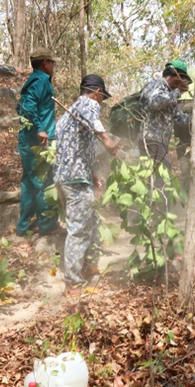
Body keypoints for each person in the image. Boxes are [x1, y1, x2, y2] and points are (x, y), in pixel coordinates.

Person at [53, 75, 118, 298]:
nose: (100, 103)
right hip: (75, 181)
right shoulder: (86, 104)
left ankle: (87, 267)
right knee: (78, 231)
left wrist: (92, 173)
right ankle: (72, 284)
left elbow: (74, 149)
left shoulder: (66, 117)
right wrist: (108, 141)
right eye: (101, 98)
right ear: (97, 92)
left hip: (65, 178)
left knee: (88, 223)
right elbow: (92, 117)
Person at [16, 47, 60, 236]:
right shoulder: (39, 80)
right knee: (43, 180)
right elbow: (27, 105)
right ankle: (48, 224)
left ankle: (24, 225)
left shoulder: (36, 80)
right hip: (37, 141)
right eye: (52, 63)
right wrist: (40, 129)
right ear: (46, 63)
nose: (53, 66)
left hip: (31, 139)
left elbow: (21, 106)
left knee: (29, 181)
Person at [138, 60, 192, 168]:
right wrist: (178, 92)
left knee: (158, 176)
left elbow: (178, 118)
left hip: (160, 142)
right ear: (177, 76)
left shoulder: (169, 93)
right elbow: (155, 102)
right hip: (149, 139)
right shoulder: (156, 84)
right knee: (161, 176)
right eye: (184, 80)